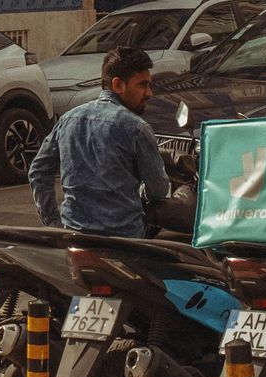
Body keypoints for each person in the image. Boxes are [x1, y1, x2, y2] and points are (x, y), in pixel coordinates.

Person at [28, 46, 169, 237]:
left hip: (75, 238)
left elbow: (38, 171)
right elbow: (159, 190)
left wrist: (53, 222)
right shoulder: (137, 128)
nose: (149, 93)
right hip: (126, 241)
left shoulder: (69, 119)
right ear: (118, 85)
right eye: (142, 85)